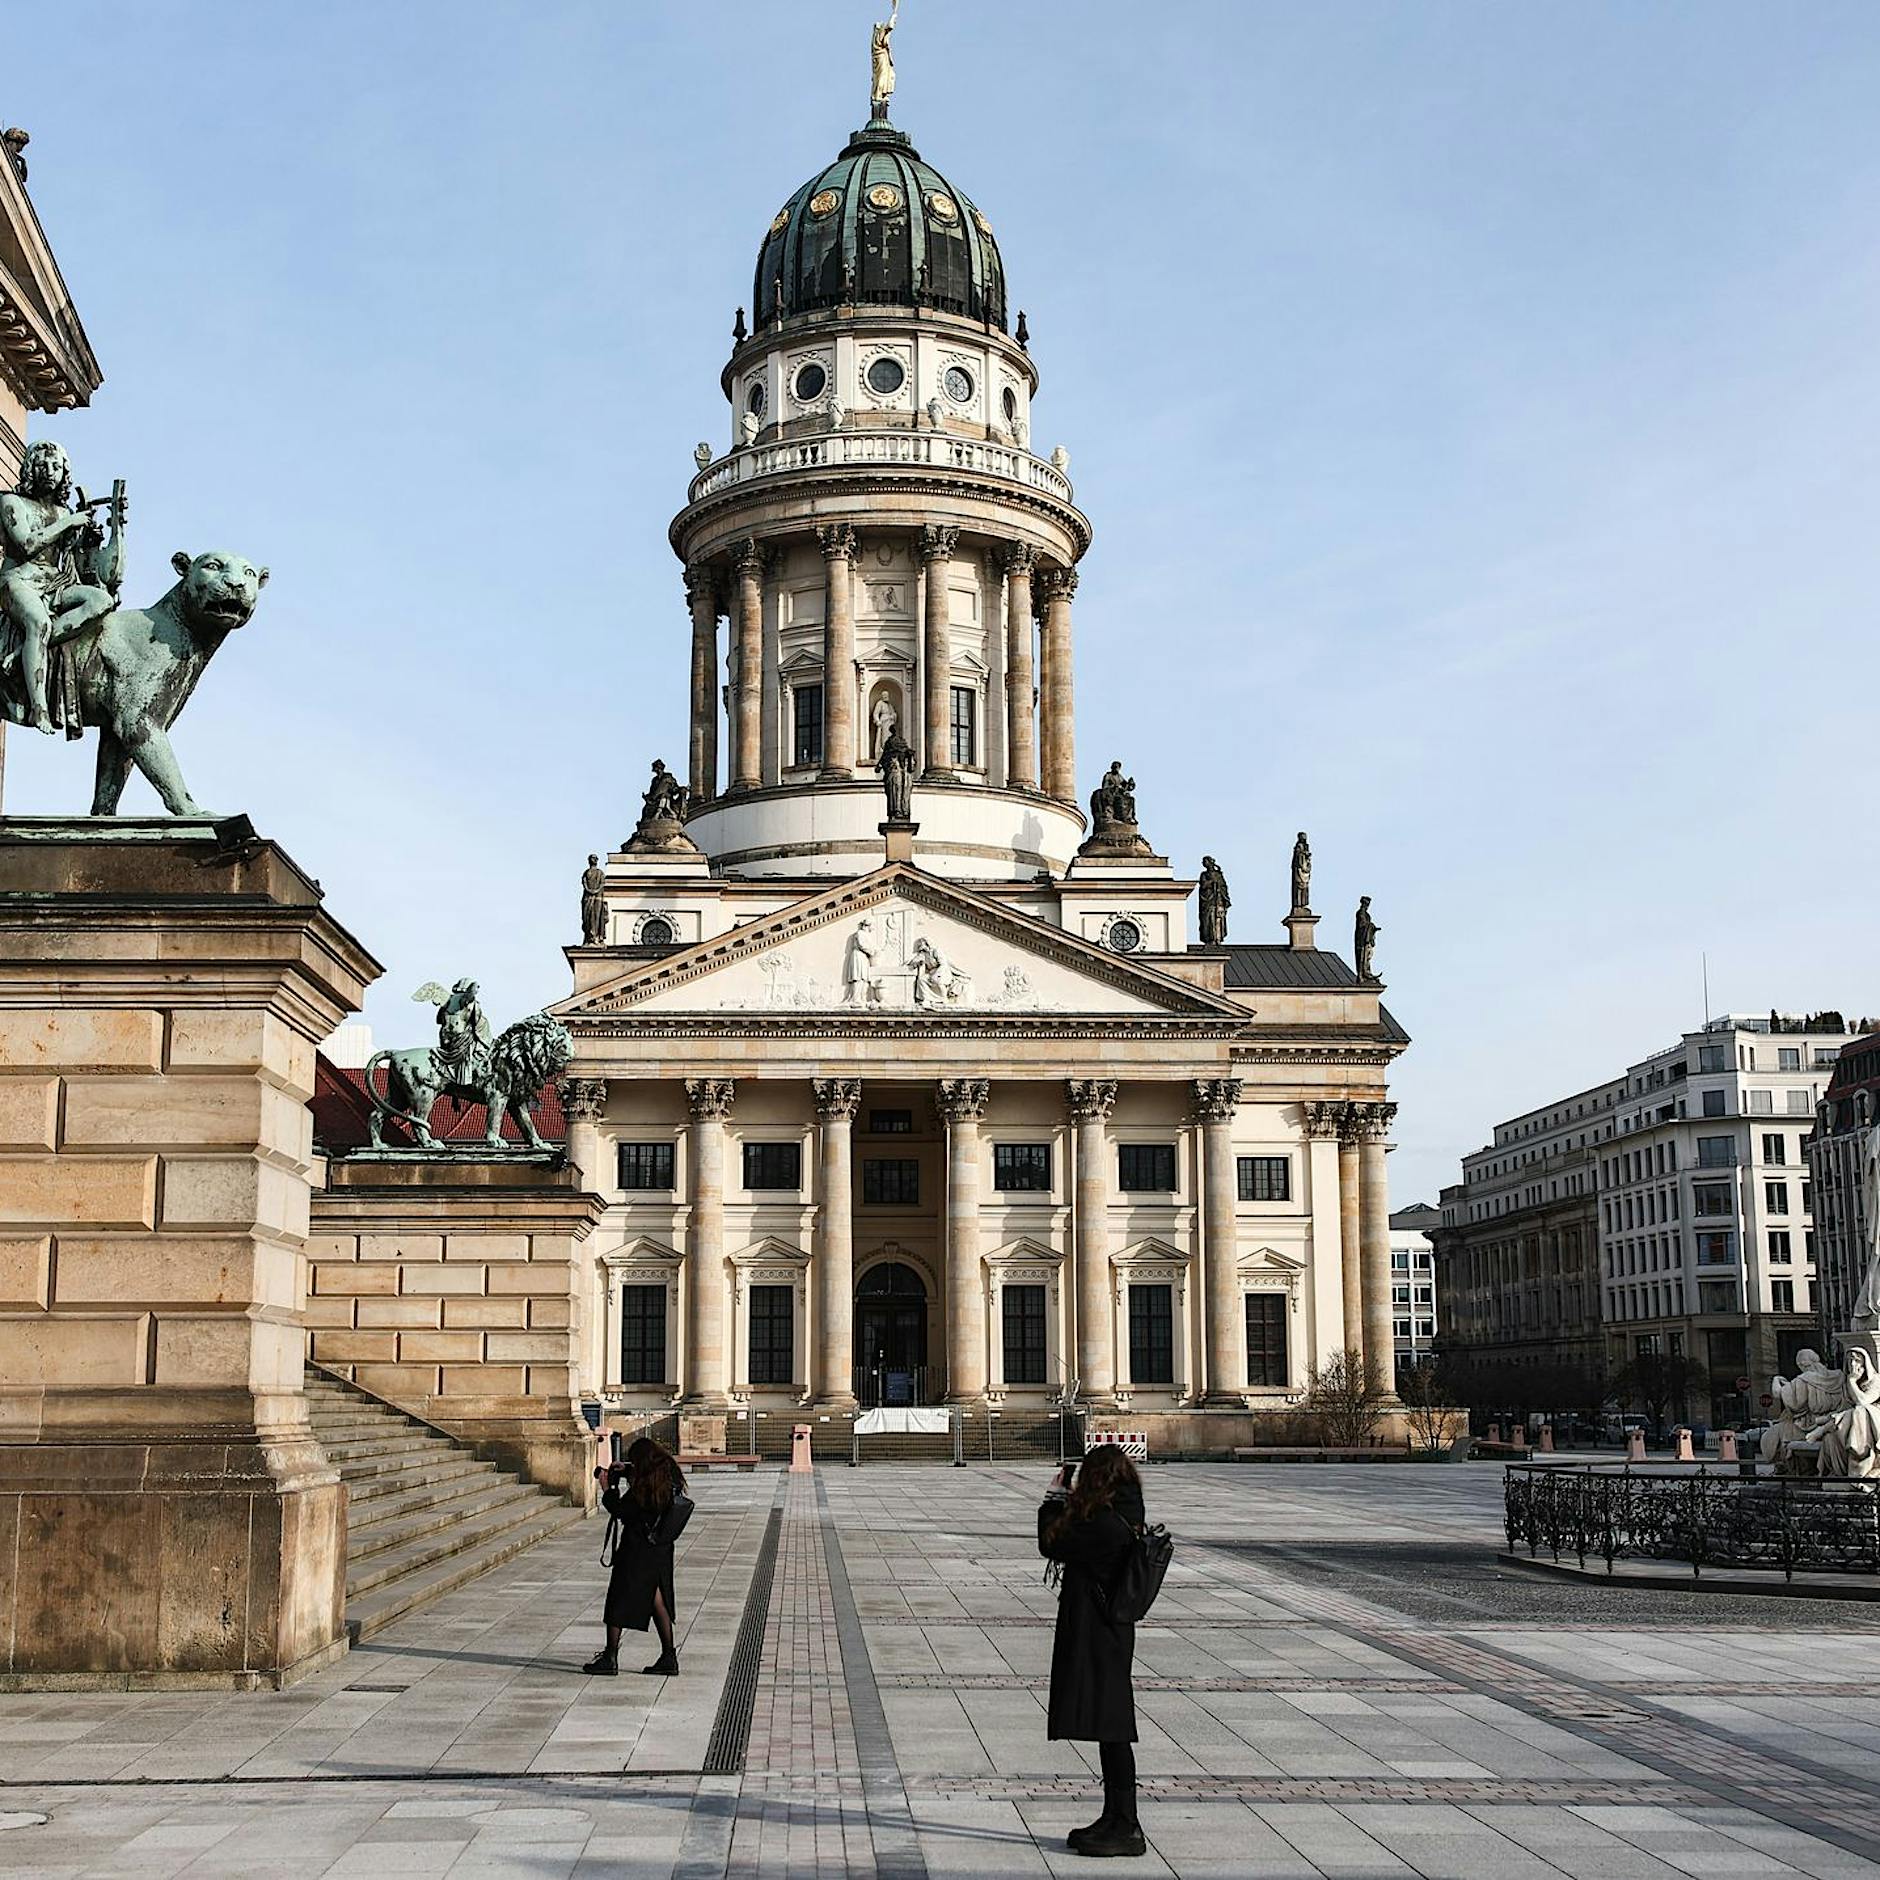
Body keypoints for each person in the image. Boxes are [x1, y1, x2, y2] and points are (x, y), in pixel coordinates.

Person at [1038, 1447, 1147, 1859]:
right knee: (1108, 1728)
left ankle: (1127, 1826)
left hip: (1101, 1635)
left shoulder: (1106, 1524)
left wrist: (1053, 1500)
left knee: (1114, 1729)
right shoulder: (1121, 1511)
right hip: (1106, 1632)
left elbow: (1053, 1542)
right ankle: (1113, 1816)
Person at [584, 1436, 688, 1677]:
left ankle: (610, 1657)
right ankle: (668, 1656)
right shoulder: (667, 1476)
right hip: (660, 1548)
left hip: (636, 1550)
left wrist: (608, 1489)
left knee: (618, 1599)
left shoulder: (643, 1489)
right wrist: (627, 1468)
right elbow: (654, 1468)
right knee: (657, 1599)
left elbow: (621, 1510)